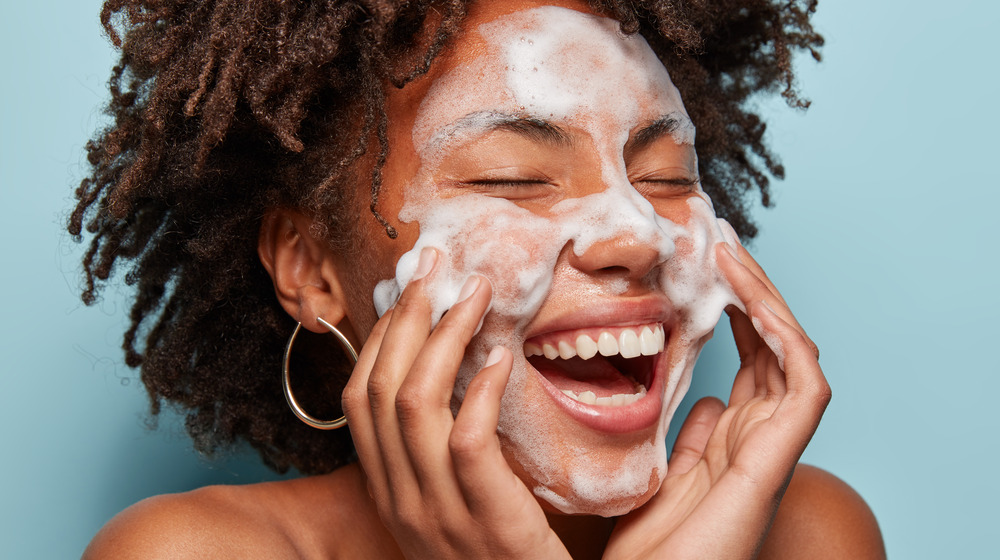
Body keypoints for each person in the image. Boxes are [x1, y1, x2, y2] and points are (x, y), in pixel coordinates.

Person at [74, 0, 885, 558]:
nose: (634, 233)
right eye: (514, 177)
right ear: (308, 268)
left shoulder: (807, 535)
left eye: (667, 175)